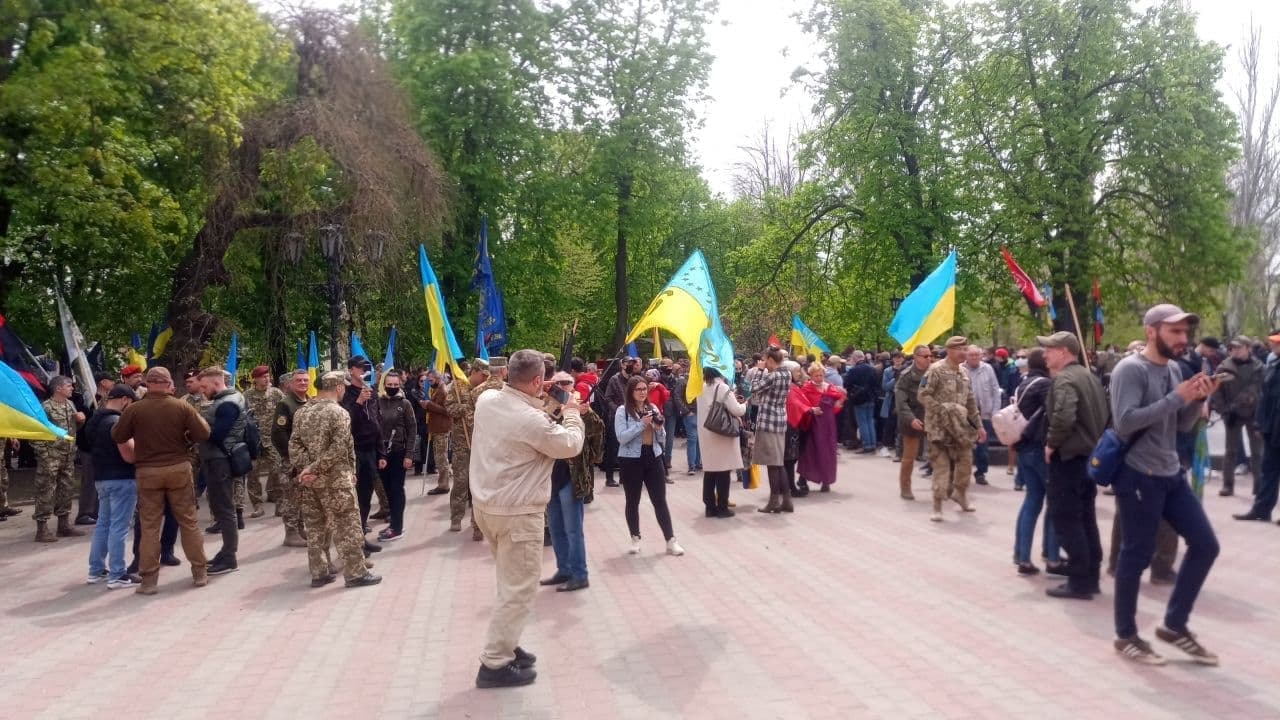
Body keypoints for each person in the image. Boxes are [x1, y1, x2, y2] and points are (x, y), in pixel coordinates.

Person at [1110, 304, 1221, 666]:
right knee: (1137, 554)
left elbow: (1182, 424)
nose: (1183, 339)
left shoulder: (1174, 369)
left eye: (1185, 332)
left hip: (1170, 471)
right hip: (1138, 473)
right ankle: (1126, 634)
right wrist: (1179, 397)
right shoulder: (1130, 369)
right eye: (1175, 331)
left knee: (1205, 545)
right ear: (1151, 332)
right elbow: (1126, 422)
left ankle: (1174, 625)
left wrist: (1198, 399)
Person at [470, 349, 585, 688]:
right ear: (538, 380)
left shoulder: (488, 400)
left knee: (509, 582)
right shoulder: (531, 420)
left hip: (487, 508)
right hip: (518, 514)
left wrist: (542, 396)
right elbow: (570, 444)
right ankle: (494, 662)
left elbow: (526, 411)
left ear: (507, 373)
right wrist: (573, 411)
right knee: (518, 589)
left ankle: (506, 640)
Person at [111, 367, 211, 595]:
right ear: (167, 384)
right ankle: (199, 573)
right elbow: (204, 433)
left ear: (148, 383)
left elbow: (117, 436)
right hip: (178, 468)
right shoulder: (182, 406)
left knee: (149, 527)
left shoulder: (135, 409)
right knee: (189, 522)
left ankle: (148, 581)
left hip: (147, 472)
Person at [290, 370, 382, 590]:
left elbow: (294, 446)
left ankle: (319, 572)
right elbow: (339, 447)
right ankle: (355, 573)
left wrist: (307, 470)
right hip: (335, 481)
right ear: (339, 387)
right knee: (347, 527)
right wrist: (316, 468)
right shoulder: (338, 413)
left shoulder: (302, 412)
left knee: (315, 528)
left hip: (310, 483)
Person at [1038, 332, 1107, 598]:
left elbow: (1065, 414)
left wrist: (1051, 443)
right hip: (1088, 457)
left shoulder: (1066, 379)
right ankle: (1090, 575)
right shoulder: (1089, 377)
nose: (1044, 354)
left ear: (1064, 351)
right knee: (1086, 518)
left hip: (1069, 458)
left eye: (1049, 349)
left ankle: (1080, 580)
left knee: (1066, 517)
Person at [542, 371, 604, 592]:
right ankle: (564, 570)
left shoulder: (582, 407)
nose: (562, 387)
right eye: (558, 383)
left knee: (573, 529)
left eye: (567, 383)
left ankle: (580, 574)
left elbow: (598, 431)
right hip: (551, 477)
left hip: (572, 477)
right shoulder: (545, 407)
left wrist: (584, 414)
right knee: (556, 528)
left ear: (573, 385)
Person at [615, 375, 685, 553]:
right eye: (638, 389)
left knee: (660, 500)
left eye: (644, 389)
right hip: (631, 460)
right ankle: (635, 538)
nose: (642, 392)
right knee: (632, 500)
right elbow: (621, 438)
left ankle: (671, 540)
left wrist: (659, 428)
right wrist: (641, 424)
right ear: (630, 391)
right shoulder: (622, 411)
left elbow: (661, 438)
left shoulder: (652, 407)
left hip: (653, 457)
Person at [917, 337, 984, 521]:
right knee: (941, 467)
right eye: (959, 349)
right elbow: (922, 395)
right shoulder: (935, 370)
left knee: (966, 462)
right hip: (939, 428)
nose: (964, 352)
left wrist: (979, 426)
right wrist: (943, 409)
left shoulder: (964, 373)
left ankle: (960, 494)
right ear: (949, 350)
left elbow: (970, 401)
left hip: (960, 428)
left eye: (965, 348)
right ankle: (937, 506)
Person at [84, 384, 140, 589]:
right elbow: (129, 454)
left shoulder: (94, 420)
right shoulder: (117, 422)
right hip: (122, 479)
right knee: (119, 527)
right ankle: (118, 574)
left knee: (103, 525)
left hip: (102, 478)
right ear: (125, 400)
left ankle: (96, 570)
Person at [1010, 349, 1061, 575]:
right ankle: (1052, 556)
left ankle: (1022, 556)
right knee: (1054, 501)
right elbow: (1054, 415)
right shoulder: (1046, 385)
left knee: (1032, 501)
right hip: (1041, 448)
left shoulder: (1025, 383)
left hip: (1025, 448)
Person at [197, 366, 248, 575]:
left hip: (220, 461)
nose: (202, 391)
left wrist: (196, 423)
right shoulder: (227, 399)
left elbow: (217, 435)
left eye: (204, 386)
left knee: (226, 511)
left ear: (216, 383)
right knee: (221, 509)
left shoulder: (227, 403)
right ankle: (225, 552)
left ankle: (229, 557)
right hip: (217, 460)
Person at [339, 355, 384, 556]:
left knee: (366, 497)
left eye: (366, 368)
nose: (364, 371)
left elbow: (377, 422)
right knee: (354, 498)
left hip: (371, 450)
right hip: (354, 451)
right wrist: (358, 402)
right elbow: (345, 422)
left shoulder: (372, 392)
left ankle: (362, 538)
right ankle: (354, 544)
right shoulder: (346, 394)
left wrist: (381, 451)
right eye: (360, 368)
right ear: (351, 370)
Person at [33, 376, 85, 542]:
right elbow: (36, 432)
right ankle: (42, 529)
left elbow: (72, 429)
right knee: (46, 491)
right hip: (51, 456)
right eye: (69, 386)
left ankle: (64, 525)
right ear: (58, 388)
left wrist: (80, 421)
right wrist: (44, 454)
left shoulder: (70, 404)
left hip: (68, 455)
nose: (72, 388)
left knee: (66, 489)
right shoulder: (45, 407)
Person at [1236, 330, 1280, 522]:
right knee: (1268, 470)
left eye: (1276, 343)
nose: (1273, 345)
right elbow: (1265, 399)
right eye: (1273, 342)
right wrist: (1259, 424)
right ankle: (1262, 509)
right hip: (1272, 429)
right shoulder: (1273, 365)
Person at [1212, 337, 1263, 497]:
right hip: (1231, 414)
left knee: (1257, 452)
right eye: (1232, 348)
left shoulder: (1259, 367)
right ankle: (1228, 485)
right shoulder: (1224, 367)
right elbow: (1216, 390)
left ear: (1248, 348)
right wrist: (1224, 410)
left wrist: (1236, 406)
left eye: (1239, 348)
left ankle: (1259, 485)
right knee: (1230, 451)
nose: (1235, 351)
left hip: (1254, 413)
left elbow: (1255, 389)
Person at [748, 347, 793, 512]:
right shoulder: (787, 373)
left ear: (772, 361)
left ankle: (774, 502)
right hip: (780, 421)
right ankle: (786, 500)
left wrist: (759, 371)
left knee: (772, 465)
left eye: (765, 360)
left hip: (767, 422)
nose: (764, 363)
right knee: (778, 463)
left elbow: (753, 388)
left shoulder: (772, 376)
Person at [696, 367, 746, 518]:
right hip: (722, 433)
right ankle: (722, 507)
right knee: (724, 471)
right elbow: (737, 410)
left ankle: (710, 507)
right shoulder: (722, 387)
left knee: (710, 471)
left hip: (706, 433)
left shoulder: (701, 387)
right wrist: (745, 405)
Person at [375, 370, 417, 542]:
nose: (392, 387)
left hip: (399, 452)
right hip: (382, 453)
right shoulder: (378, 402)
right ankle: (393, 521)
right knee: (387, 490)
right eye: (389, 384)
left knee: (397, 489)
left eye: (395, 385)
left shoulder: (405, 404)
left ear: (399, 385)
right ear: (384, 384)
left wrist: (409, 454)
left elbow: (412, 429)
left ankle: (397, 527)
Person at [445, 360, 485, 538]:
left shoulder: (485, 390)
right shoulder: (458, 385)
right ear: (474, 372)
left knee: (479, 483)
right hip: (462, 443)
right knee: (461, 481)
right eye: (482, 375)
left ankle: (477, 523)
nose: (484, 378)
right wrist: (461, 408)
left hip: (480, 442)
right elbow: (449, 407)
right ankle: (456, 517)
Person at [271, 369, 310, 547]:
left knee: (301, 495)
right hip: (290, 460)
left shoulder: (308, 402)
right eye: (299, 381)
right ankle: (291, 533)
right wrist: (292, 456)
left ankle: (300, 528)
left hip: (305, 459)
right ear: (291, 384)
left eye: (305, 380)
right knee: (290, 496)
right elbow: (278, 433)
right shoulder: (285, 404)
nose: (303, 383)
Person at [796, 362, 846, 492]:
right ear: (810, 375)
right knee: (809, 452)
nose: (819, 378)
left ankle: (826, 480)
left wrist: (839, 404)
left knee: (827, 453)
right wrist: (810, 409)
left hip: (828, 426)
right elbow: (800, 404)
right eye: (816, 375)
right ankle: (803, 478)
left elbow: (842, 396)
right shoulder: (806, 388)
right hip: (812, 424)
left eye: (821, 375)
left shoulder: (830, 387)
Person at [243, 365, 285, 516]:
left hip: (272, 439)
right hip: (254, 441)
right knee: (253, 473)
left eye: (268, 376)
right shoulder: (246, 396)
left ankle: (280, 504)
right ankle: (257, 506)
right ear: (255, 379)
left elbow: (284, 412)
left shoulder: (276, 393)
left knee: (278, 470)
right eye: (263, 377)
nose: (266, 379)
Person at [894, 346, 931, 500]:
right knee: (910, 456)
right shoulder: (906, 375)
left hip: (931, 416)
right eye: (925, 356)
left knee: (940, 452)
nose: (929, 358)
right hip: (913, 416)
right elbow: (901, 402)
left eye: (931, 355)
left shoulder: (935, 373)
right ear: (916, 357)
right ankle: (905, 487)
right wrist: (911, 419)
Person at [964, 345, 1003, 486]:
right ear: (966, 356)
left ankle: (981, 473)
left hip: (984, 414)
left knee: (983, 447)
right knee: (964, 445)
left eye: (977, 355)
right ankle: (963, 473)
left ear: (981, 356)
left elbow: (995, 390)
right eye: (971, 355)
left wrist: (995, 412)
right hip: (966, 415)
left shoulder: (988, 369)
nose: (974, 357)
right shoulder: (960, 369)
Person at [421, 370, 454, 496]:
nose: (429, 383)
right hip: (436, 428)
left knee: (441, 458)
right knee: (439, 457)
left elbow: (447, 410)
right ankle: (442, 483)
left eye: (431, 380)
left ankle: (443, 485)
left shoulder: (443, 390)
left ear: (438, 378)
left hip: (442, 428)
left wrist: (429, 405)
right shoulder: (437, 389)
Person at [843, 351, 878, 453]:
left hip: (859, 399)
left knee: (862, 423)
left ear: (855, 358)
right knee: (870, 421)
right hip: (871, 398)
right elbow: (876, 384)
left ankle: (867, 445)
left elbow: (846, 384)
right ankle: (873, 444)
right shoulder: (872, 368)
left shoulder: (854, 370)